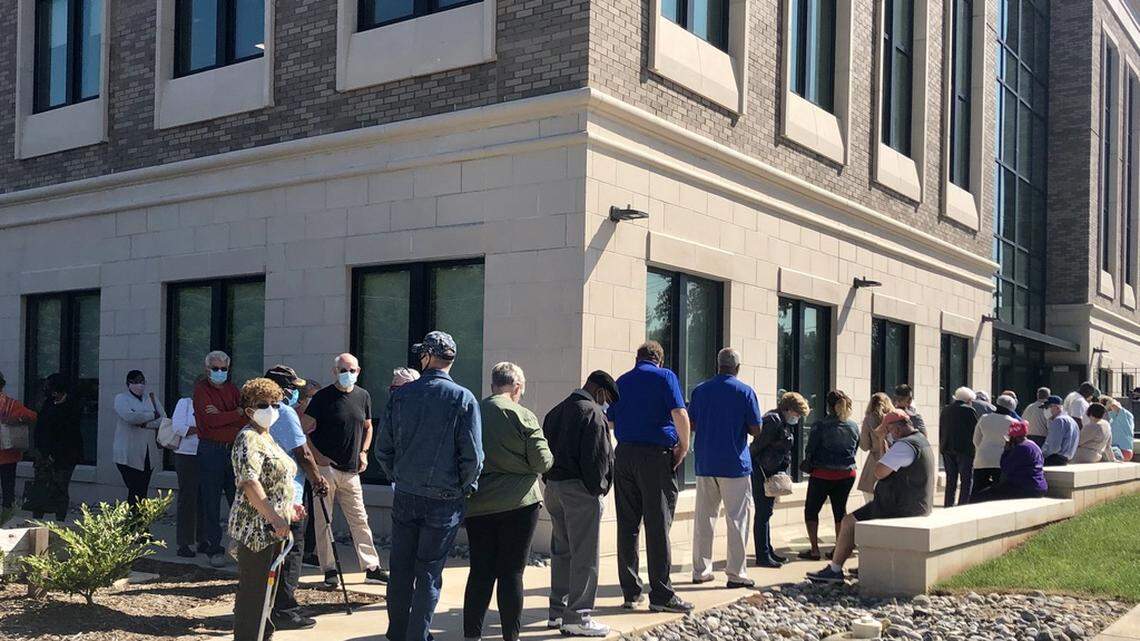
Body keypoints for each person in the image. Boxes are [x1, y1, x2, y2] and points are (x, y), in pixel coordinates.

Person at [378, 331, 483, 641]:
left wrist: (399, 476)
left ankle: (398, 632)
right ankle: (418, 634)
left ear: (426, 357)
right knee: (428, 572)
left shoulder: (401, 396)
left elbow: (383, 449)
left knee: (401, 569)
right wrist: (463, 488)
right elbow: (473, 457)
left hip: (408, 493)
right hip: (444, 498)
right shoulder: (463, 398)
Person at [463, 363, 552, 641]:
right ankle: (510, 636)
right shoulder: (523, 415)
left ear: (492, 386)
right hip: (520, 503)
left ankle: (471, 635)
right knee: (512, 572)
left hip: (478, 503)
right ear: (517, 387)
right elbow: (542, 462)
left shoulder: (472, 412)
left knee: (480, 572)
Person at [608, 341, 693, 614]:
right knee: (657, 525)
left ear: (637, 358)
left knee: (627, 525)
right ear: (659, 359)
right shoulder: (665, 376)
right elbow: (679, 413)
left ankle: (631, 592)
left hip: (624, 455)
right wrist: (683, 447)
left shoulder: (622, 381)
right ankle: (661, 594)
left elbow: (610, 420)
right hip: (655, 456)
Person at [806, 409, 935, 583]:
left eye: (888, 431)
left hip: (898, 505)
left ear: (896, 429)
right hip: (915, 503)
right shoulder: (920, 440)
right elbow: (887, 464)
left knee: (848, 522)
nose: (888, 435)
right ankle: (866, 565)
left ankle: (834, 569)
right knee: (858, 521)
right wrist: (883, 443)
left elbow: (879, 471)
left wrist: (884, 446)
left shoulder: (904, 446)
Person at [542, 371, 619, 638]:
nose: (606, 405)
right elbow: (597, 459)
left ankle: (557, 611)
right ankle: (578, 616)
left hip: (553, 488)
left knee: (561, 552)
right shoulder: (593, 414)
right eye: (607, 399)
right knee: (584, 555)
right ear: (599, 392)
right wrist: (599, 490)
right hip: (579, 492)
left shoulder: (555, 412)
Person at [228, 378, 304, 641]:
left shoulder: (267, 437)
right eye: (263, 404)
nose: (271, 409)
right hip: (256, 529)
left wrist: (288, 508)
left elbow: (276, 480)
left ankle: (263, 636)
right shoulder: (248, 437)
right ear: (249, 409)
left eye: (275, 403)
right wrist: (274, 516)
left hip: (275, 529)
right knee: (254, 593)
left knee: (268, 594)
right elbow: (249, 482)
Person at [304, 353, 386, 587]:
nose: (347, 374)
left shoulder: (363, 396)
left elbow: (368, 426)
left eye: (351, 370)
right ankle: (329, 569)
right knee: (324, 521)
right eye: (343, 370)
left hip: (351, 470)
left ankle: (372, 567)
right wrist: (317, 456)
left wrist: (364, 452)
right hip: (326, 469)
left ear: (358, 371)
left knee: (360, 519)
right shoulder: (322, 397)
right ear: (334, 371)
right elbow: (303, 430)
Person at [265, 365, 330, 631]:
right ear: (281, 390)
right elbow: (303, 453)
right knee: (291, 552)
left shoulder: (254, 413)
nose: (296, 394)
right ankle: (285, 610)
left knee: (267, 555)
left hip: (262, 497)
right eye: (292, 388)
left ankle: (263, 605)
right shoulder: (285, 412)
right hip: (289, 497)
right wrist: (318, 479)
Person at [688, 348, 760, 589]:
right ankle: (736, 573)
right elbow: (756, 429)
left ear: (717, 365)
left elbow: (692, 423)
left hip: (706, 462)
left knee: (704, 519)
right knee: (737, 520)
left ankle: (701, 570)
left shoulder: (700, 391)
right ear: (737, 368)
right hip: (734, 464)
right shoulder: (745, 392)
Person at [194, 350, 246, 568]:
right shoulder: (201, 390)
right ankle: (213, 548)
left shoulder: (233, 389)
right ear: (207, 369)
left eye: (223, 369)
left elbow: (245, 417)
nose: (219, 372)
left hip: (232, 450)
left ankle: (241, 548)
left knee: (238, 499)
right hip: (211, 450)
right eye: (215, 368)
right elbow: (209, 421)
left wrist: (225, 415)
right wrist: (235, 413)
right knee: (211, 501)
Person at [799, 390, 859, 561]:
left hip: (822, 473)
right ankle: (838, 549)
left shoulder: (820, 425)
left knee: (811, 511)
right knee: (840, 511)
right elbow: (855, 448)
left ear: (828, 406)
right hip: (847, 473)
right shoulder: (853, 426)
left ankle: (814, 549)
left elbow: (810, 449)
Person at [750, 392, 805, 568]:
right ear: (788, 409)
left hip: (770, 471)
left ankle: (768, 550)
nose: (797, 418)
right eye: (797, 413)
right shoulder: (773, 421)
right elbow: (756, 447)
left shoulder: (780, 421)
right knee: (763, 513)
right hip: (763, 472)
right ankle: (763, 554)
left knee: (767, 513)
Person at [26, 374, 81, 521]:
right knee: (40, 486)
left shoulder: (72, 406)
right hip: (44, 454)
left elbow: (69, 434)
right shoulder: (48, 404)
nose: (53, 394)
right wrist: (40, 451)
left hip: (65, 456)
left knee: (60, 487)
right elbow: (40, 428)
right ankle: (37, 519)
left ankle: (60, 520)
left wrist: (55, 454)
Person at [113, 370, 165, 505]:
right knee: (134, 489)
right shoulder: (121, 398)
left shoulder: (151, 398)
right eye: (135, 382)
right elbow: (130, 417)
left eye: (142, 381)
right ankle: (133, 517)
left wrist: (144, 423)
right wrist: (152, 415)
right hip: (127, 453)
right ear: (128, 384)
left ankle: (140, 517)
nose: (140, 385)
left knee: (142, 491)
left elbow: (163, 420)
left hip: (148, 453)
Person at [971, 421, 1047, 503]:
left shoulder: (1020, 448)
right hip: (1039, 486)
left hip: (1025, 488)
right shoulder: (1033, 445)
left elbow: (1005, 467)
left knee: (979, 497)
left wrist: (1006, 451)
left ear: (1014, 436)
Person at [171, 394, 207, 557]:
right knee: (187, 499)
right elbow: (178, 427)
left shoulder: (212, 406)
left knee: (205, 498)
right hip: (186, 455)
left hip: (207, 454)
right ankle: (184, 543)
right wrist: (201, 429)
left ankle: (203, 539)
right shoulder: (185, 403)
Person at [0, 371, 37, 526]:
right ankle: (7, 519)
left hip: (7, 454)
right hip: (9, 454)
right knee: (8, 489)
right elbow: (33, 416)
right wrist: (17, 419)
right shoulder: (11, 404)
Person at [939, 387, 979, 507]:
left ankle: (948, 505)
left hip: (947, 447)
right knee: (966, 480)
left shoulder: (946, 409)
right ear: (968, 400)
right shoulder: (969, 410)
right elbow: (975, 430)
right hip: (964, 449)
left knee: (951, 480)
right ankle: (963, 505)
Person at [972, 395, 1018, 497]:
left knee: (978, 488)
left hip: (982, 458)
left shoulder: (984, 418)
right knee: (1000, 490)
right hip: (1002, 460)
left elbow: (976, 439)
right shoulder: (1014, 422)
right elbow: (1015, 443)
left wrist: (981, 449)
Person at [856, 393, 894, 503]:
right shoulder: (894, 419)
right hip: (893, 460)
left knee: (871, 502)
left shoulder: (868, 419)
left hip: (874, 461)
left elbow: (864, 446)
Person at [1040, 395, 1080, 466]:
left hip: (1054, 459)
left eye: (1047, 407)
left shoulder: (1058, 421)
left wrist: (1040, 455)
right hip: (1066, 459)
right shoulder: (1071, 420)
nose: (1045, 410)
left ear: (1057, 407)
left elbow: (1054, 447)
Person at [1104, 396, 1135, 462]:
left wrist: (1111, 404)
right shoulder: (1114, 416)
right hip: (1124, 450)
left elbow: (1116, 407)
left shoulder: (1124, 414)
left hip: (1121, 451)